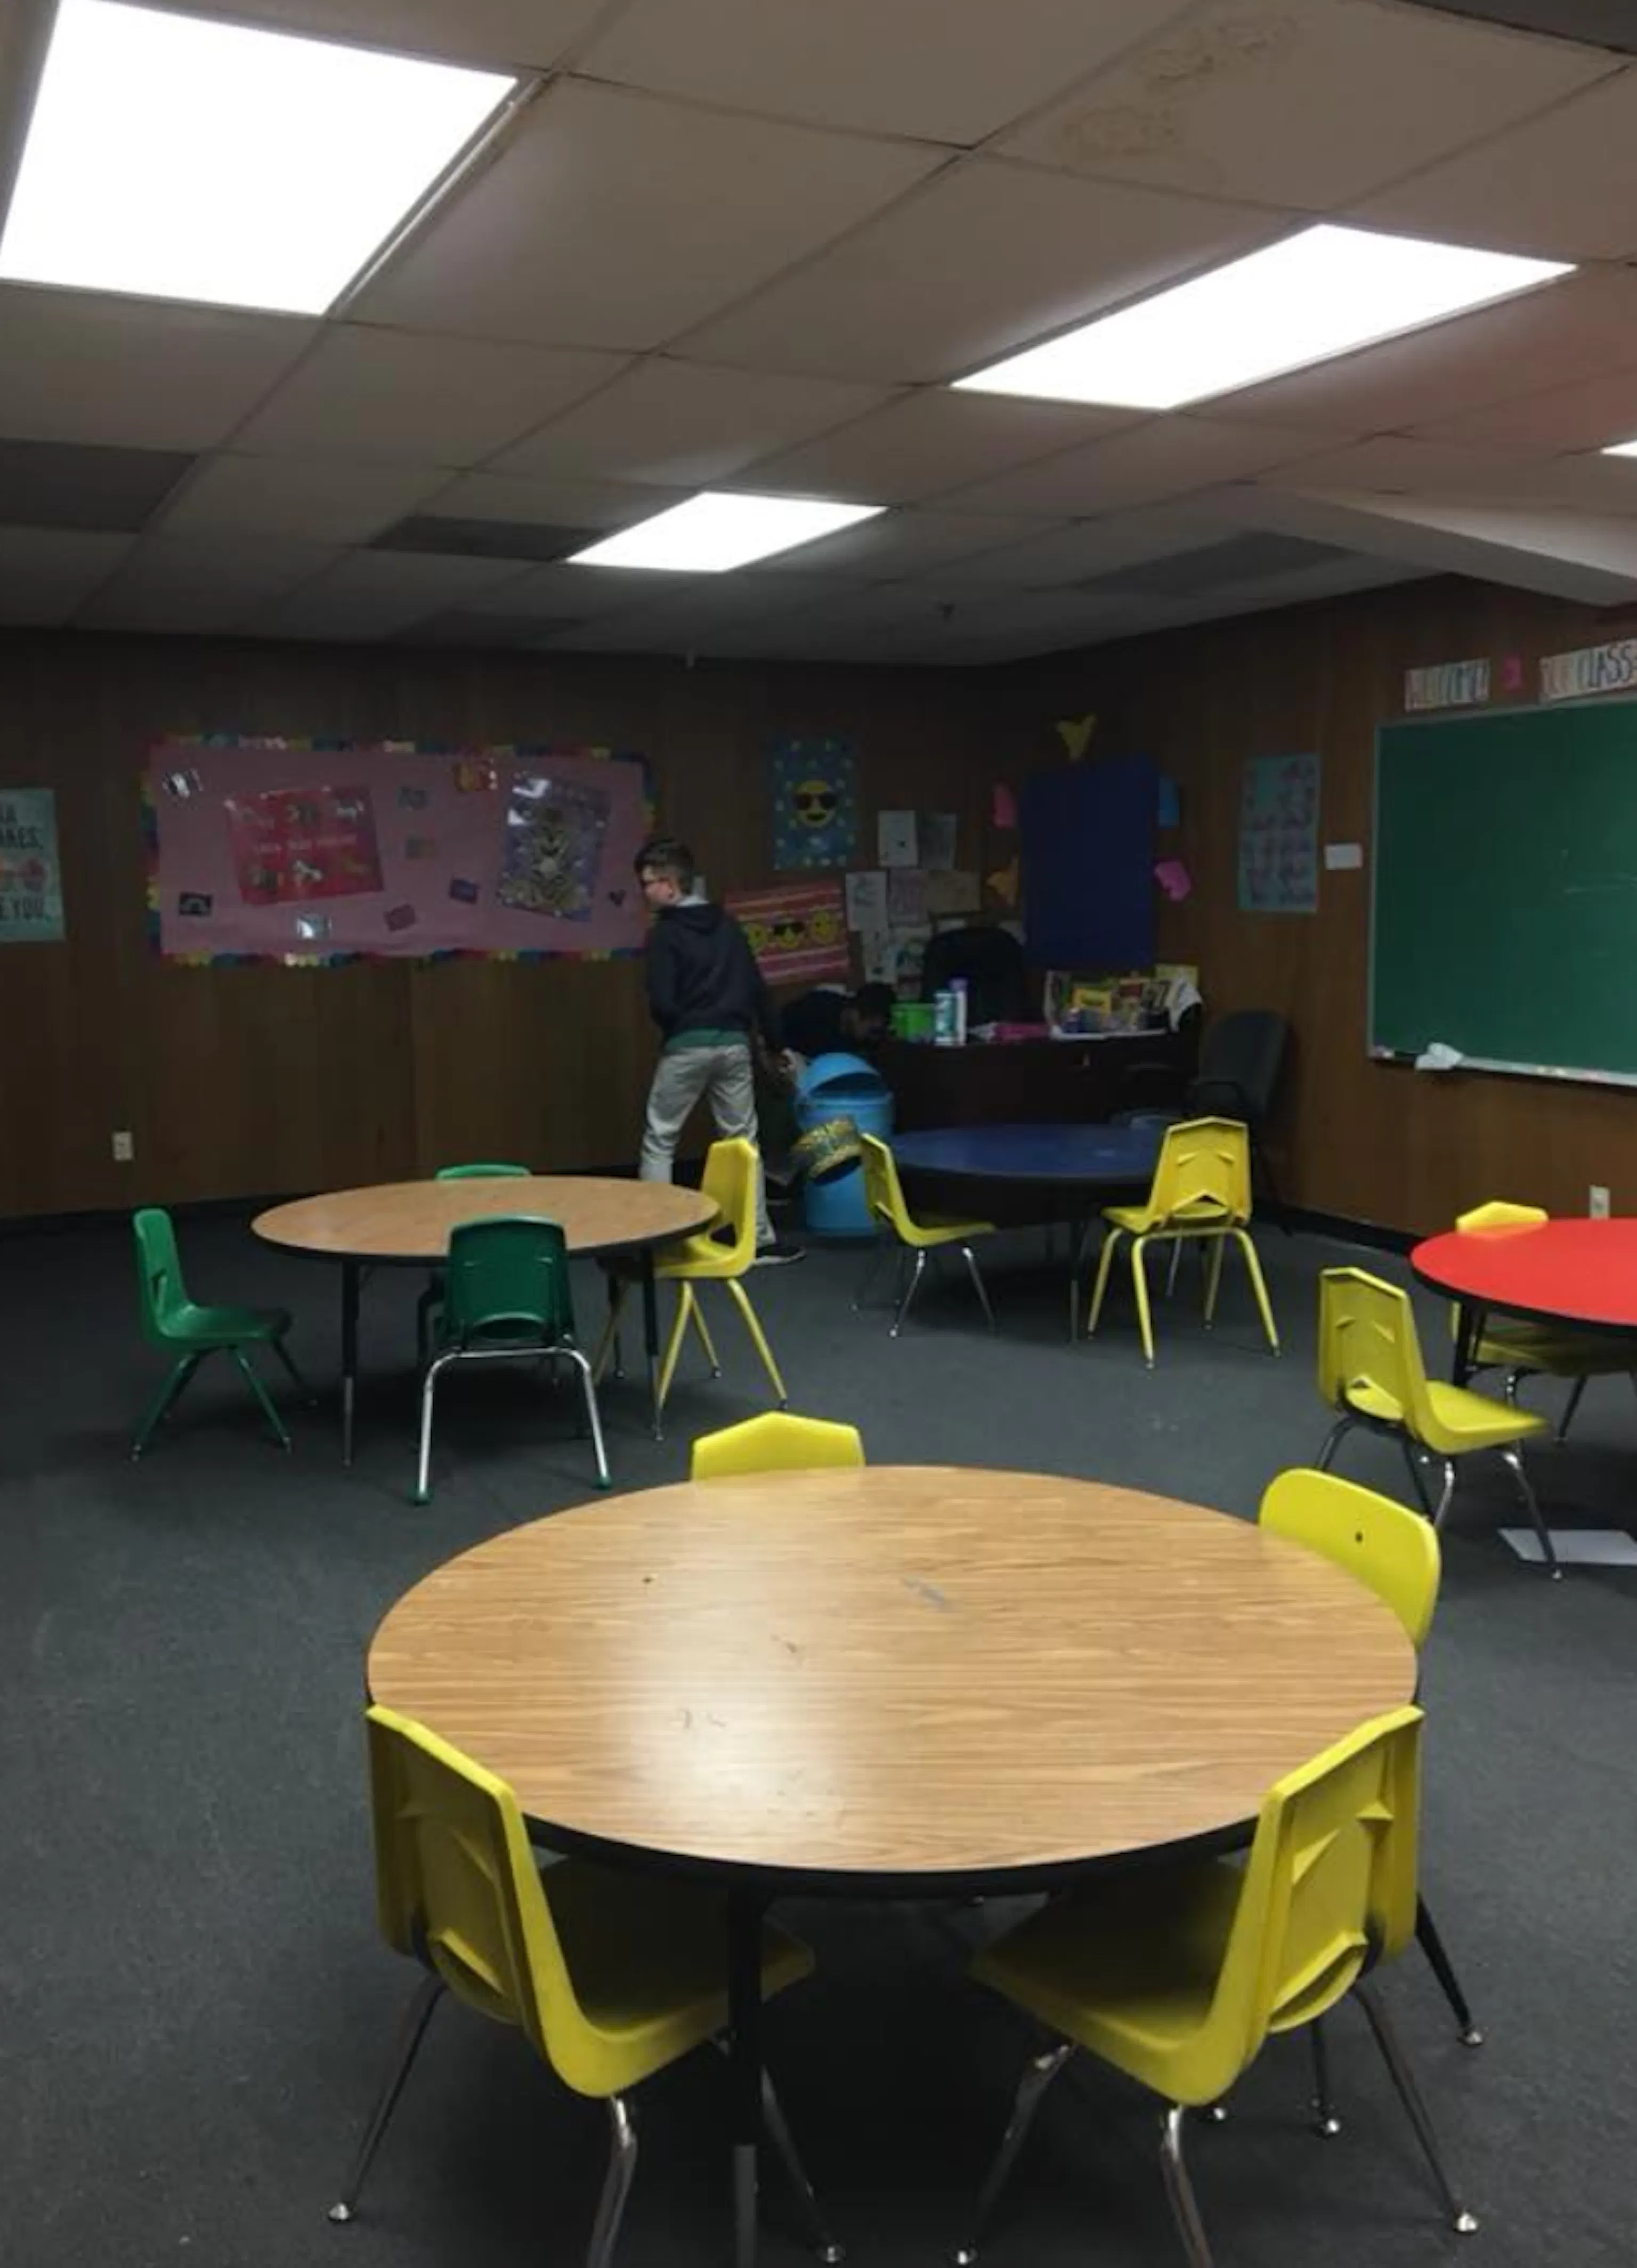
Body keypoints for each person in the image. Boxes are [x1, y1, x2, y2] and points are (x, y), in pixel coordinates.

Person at [634, 836, 802, 1264]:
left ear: (670, 884)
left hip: (687, 1045)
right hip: (733, 1045)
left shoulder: (664, 934)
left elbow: (661, 1000)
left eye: (648, 883)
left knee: (661, 1138)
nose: (645, 892)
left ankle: (656, 1237)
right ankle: (759, 1239)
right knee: (743, 1142)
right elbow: (758, 989)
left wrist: (678, 1026)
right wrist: (776, 1043)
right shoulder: (729, 927)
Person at [780, 981, 896, 1067]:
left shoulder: (871, 1039)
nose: (872, 1038)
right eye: (872, 1029)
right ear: (855, 1014)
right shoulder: (816, 1010)